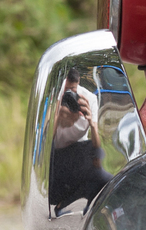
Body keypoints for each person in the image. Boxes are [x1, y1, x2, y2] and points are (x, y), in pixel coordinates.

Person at [47, 76, 111, 213]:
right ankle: (66, 204)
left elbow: (97, 152)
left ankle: (73, 205)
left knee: (99, 164)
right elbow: (44, 146)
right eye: (65, 92)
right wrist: (56, 116)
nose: (68, 101)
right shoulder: (53, 97)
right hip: (54, 163)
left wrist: (91, 123)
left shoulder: (88, 99)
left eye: (72, 90)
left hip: (77, 159)